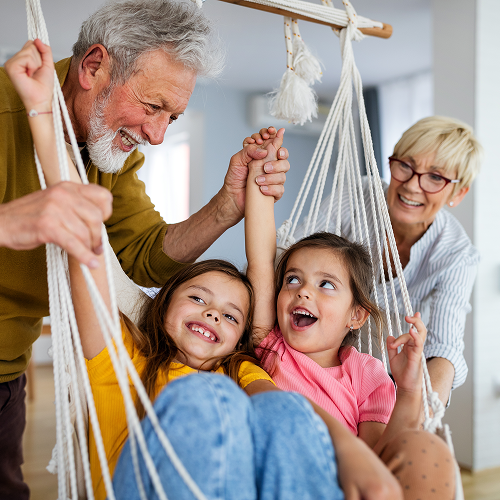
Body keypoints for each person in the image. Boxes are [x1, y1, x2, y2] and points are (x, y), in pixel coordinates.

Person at [10, 43, 403, 500]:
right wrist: (42, 115)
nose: (214, 314)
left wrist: (349, 451)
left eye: (233, 315)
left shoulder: (241, 372)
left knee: (284, 411)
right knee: (203, 399)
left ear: (243, 339)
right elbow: (80, 232)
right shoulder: (121, 359)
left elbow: (284, 411)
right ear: (163, 302)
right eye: (198, 297)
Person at [0, 2, 289, 498]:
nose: (156, 135)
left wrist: (226, 205)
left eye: (171, 117)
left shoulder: (105, 143)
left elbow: (142, 255)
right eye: (152, 107)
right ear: (94, 67)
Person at [242, 128, 457, 499]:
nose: (303, 290)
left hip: (344, 486)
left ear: (355, 316)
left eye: (325, 285)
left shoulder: (367, 374)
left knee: (427, 452)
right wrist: (261, 171)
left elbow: (378, 456)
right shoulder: (269, 344)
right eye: (292, 279)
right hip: (281, 480)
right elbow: (261, 257)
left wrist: (407, 389)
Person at [285, 117, 482, 407]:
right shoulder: (357, 195)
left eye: (435, 177)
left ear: (458, 193)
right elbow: (289, 253)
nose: (413, 186)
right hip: (311, 357)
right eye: (405, 165)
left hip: (385, 383)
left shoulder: (457, 255)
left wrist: (422, 418)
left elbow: (444, 349)